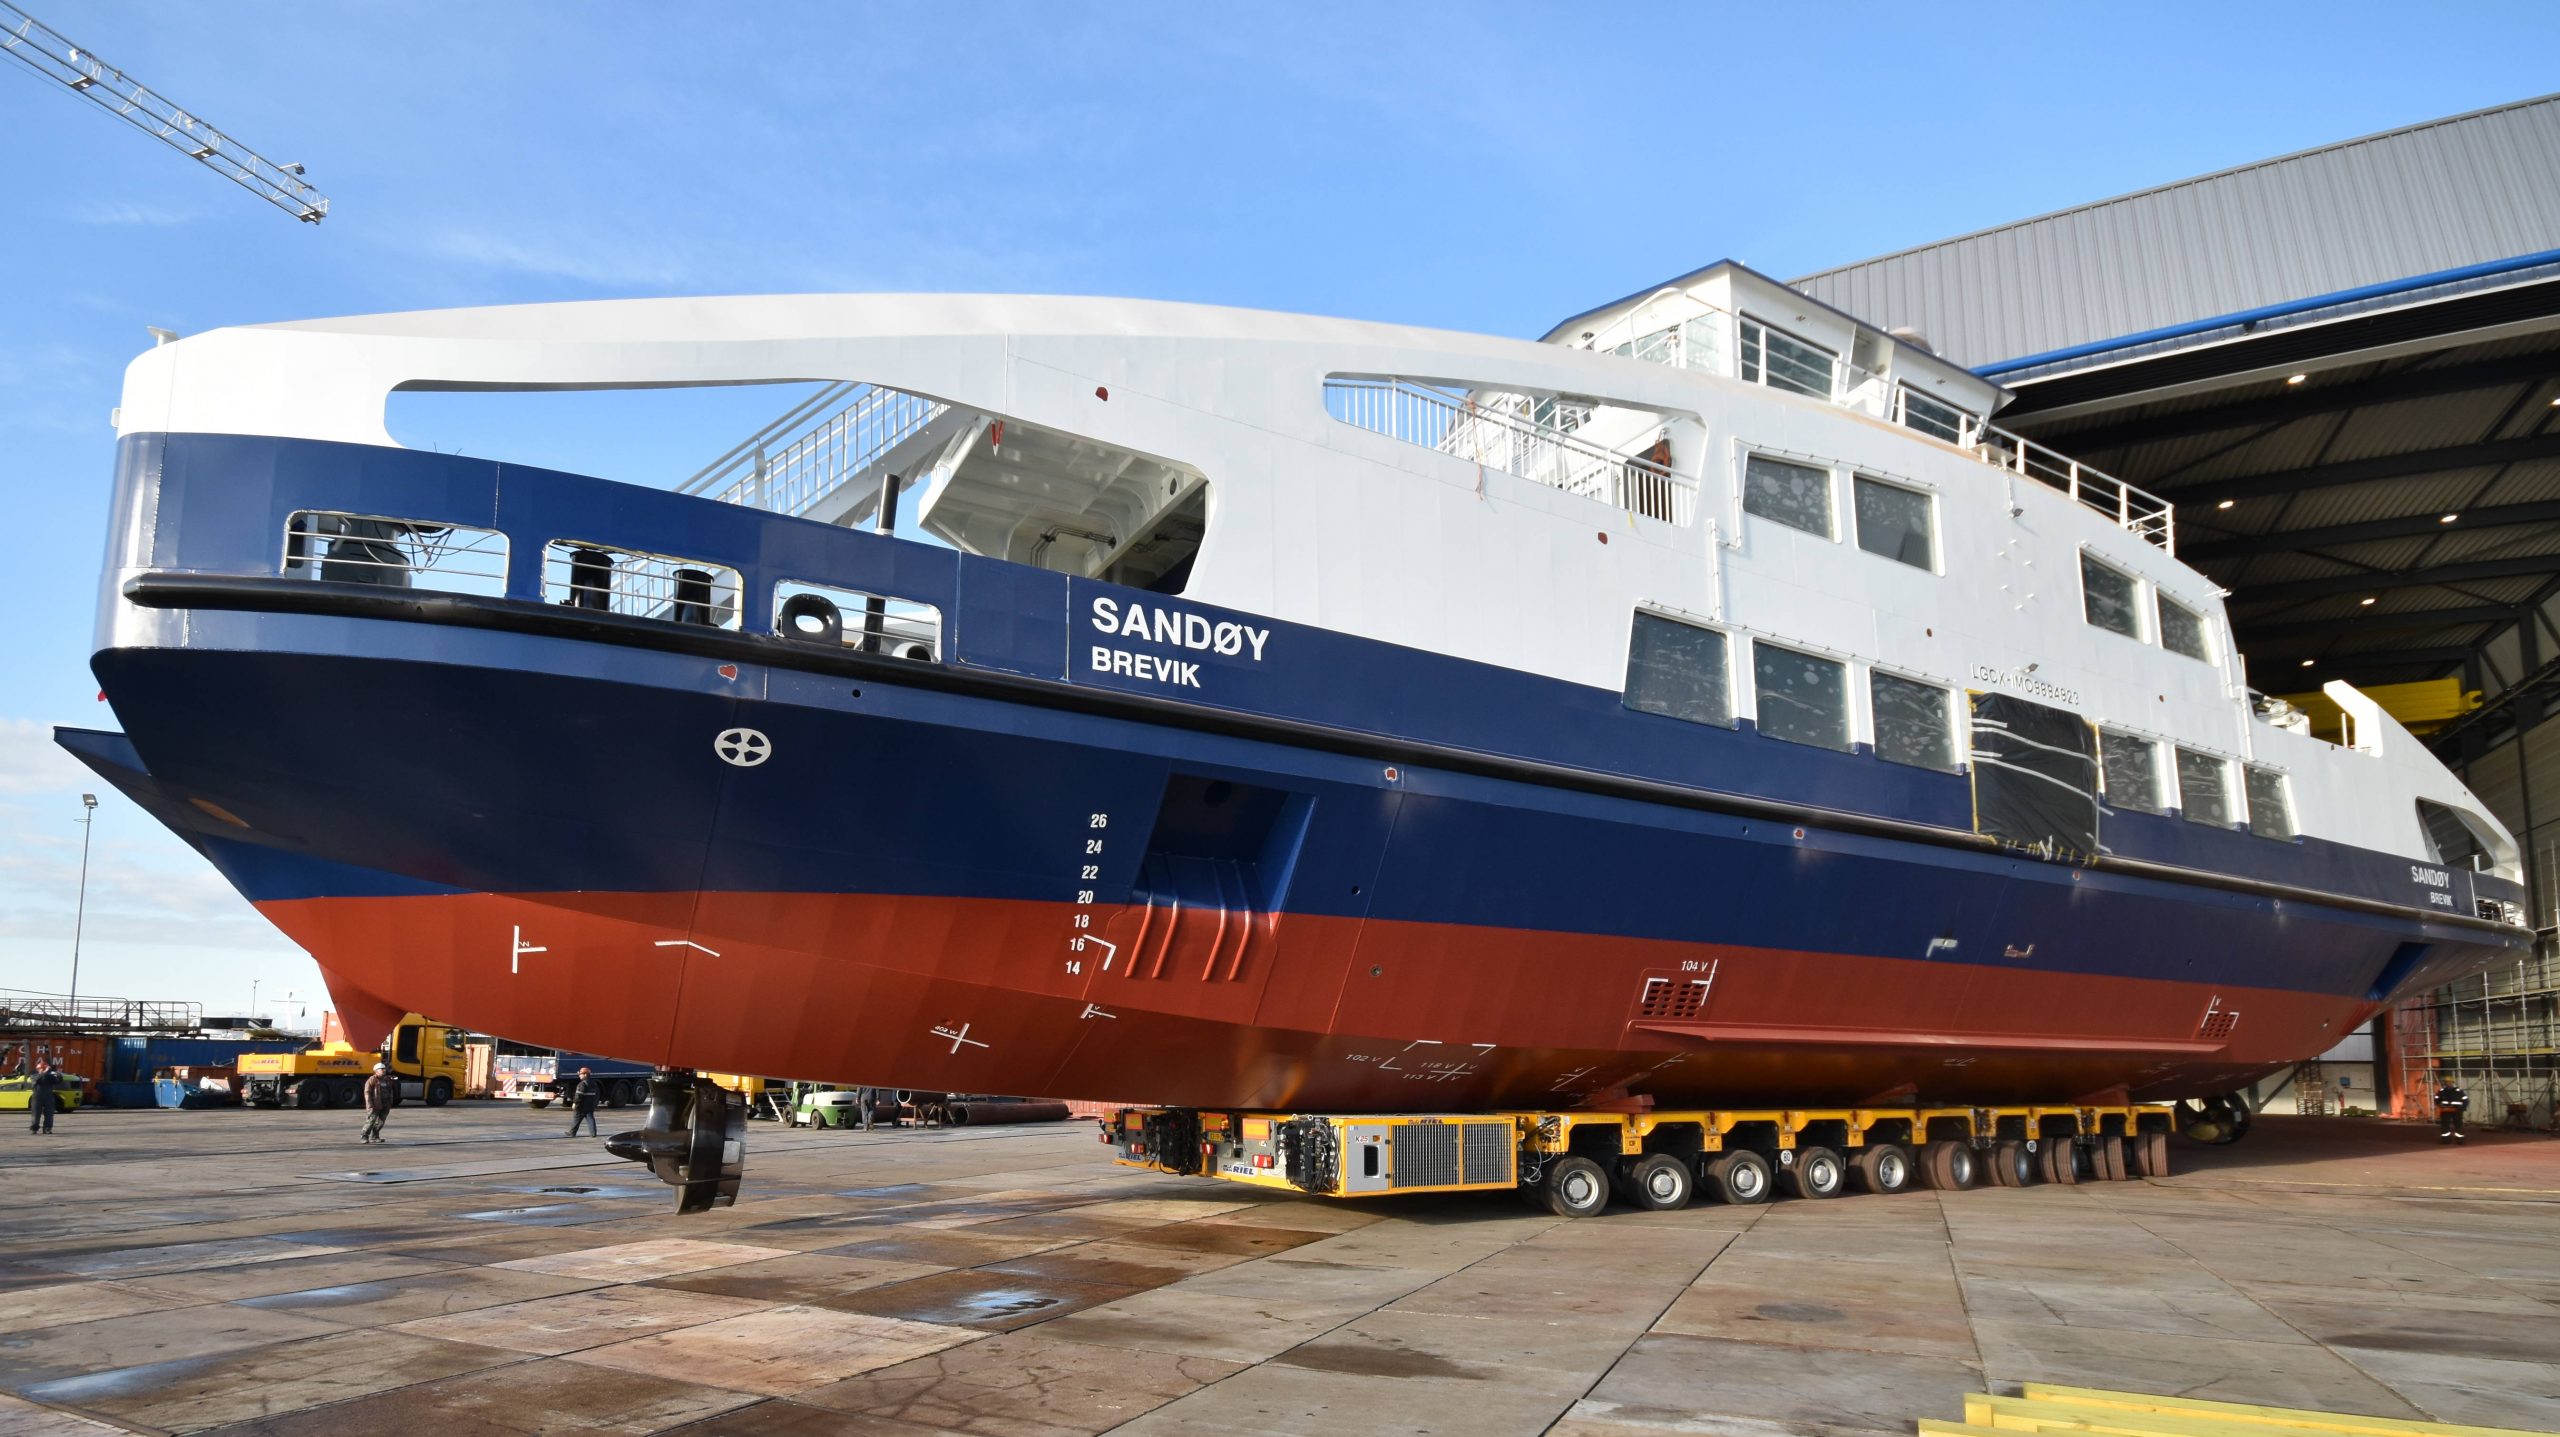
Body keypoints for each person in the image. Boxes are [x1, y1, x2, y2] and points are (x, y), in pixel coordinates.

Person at [359, 1062, 397, 1144]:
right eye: (381, 1069)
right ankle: (364, 1136)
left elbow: (390, 1091)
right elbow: (367, 1093)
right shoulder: (372, 1080)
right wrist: (370, 1105)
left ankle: (375, 1136)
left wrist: (390, 1102)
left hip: (385, 1104)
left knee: (381, 1122)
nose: (384, 1070)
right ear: (376, 1071)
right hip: (375, 1104)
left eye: (384, 1069)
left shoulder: (387, 1080)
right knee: (371, 1121)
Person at [25, 1058, 63, 1136]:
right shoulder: (34, 1075)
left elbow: (57, 1081)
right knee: (36, 1114)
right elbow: (36, 1081)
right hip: (37, 1097)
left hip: (48, 1096)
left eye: (44, 1068)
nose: (43, 1070)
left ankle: (47, 1128)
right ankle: (34, 1128)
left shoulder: (49, 1076)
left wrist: (59, 1074)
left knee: (49, 1114)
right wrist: (44, 1072)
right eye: (41, 1068)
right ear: (38, 1069)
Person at [565, 1066, 602, 1138]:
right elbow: (597, 1095)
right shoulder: (594, 1084)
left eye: (581, 1074)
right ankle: (593, 1133)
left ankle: (572, 1133)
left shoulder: (582, 1084)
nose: (579, 1075)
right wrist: (595, 1104)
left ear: (585, 1075)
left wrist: (575, 1103)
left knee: (576, 1118)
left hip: (581, 1106)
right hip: (590, 1105)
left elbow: (578, 1096)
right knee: (590, 1119)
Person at [2435, 1076, 2470, 1144]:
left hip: (2457, 1110)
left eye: (2449, 1082)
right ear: (2444, 1083)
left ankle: (2460, 1140)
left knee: (2458, 1125)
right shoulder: (2441, 1091)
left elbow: (2465, 1100)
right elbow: (2437, 1099)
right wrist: (2440, 1105)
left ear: (2452, 1082)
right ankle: (2446, 1140)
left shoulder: (2459, 1091)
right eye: (2446, 1082)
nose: (2448, 1083)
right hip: (2445, 1110)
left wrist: (2462, 1108)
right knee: (2445, 1125)